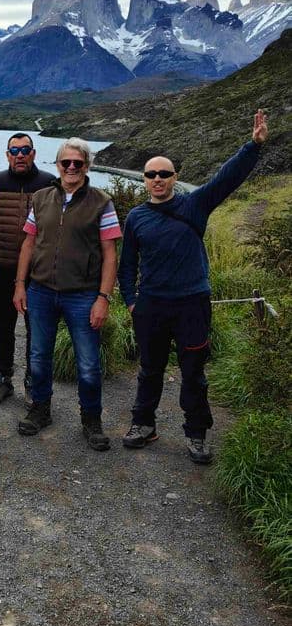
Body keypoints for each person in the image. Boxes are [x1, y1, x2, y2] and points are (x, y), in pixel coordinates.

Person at [119, 109, 269, 465]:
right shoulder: (136, 218)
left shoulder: (196, 203)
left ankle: (197, 434)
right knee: (149, 369)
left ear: (175, 177)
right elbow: (127, 265)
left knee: (193, 373)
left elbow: (227, 178)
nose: (157, 179)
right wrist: (131, 302)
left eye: (164, 174)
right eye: (151, 174)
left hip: (192, 304)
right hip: (152, 305)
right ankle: (143, 425)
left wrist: (253, 145)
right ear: (144, 180)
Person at [13, 138, 121, 450]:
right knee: (38, 355)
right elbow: (29, 244)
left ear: (87, 165)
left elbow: (110, 254)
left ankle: (91, 419)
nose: (71, 168)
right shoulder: (41, 198)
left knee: (88, 362)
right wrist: (20, 285)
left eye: (78, 163)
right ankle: (40, 409)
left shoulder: (102, 202)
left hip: (83, 295)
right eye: (66, 163)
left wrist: (103, 297)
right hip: (41, 291)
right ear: (57, 165)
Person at [0, 133, 55, 406]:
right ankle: (2, 378)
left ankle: (32, 382)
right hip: (3, 267)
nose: (20, 154)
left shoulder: (48, 183)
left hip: (38, 272)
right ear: (7, 154)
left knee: (35, 328)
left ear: (33, 153)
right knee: (4, 326)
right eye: (15, 150)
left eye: (25, 149)